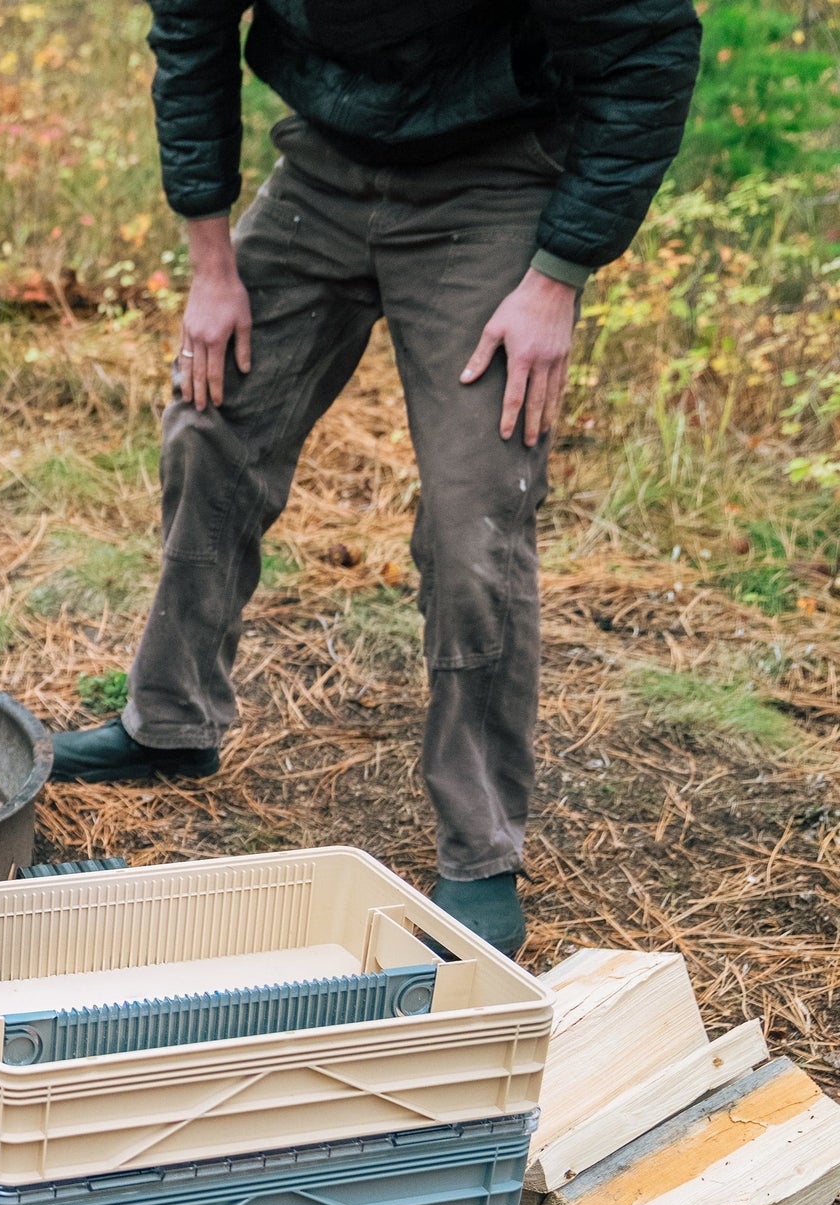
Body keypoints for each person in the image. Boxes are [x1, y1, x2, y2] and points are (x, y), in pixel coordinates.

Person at [53, 0, 701, 956]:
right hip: (325, 162)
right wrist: (211, 263)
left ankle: (480, 847)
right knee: (209, 421)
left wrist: (557, 276)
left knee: (473, 510)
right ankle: (171, 722)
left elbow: (650, 51)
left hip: (494, 176)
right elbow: (190, 34)